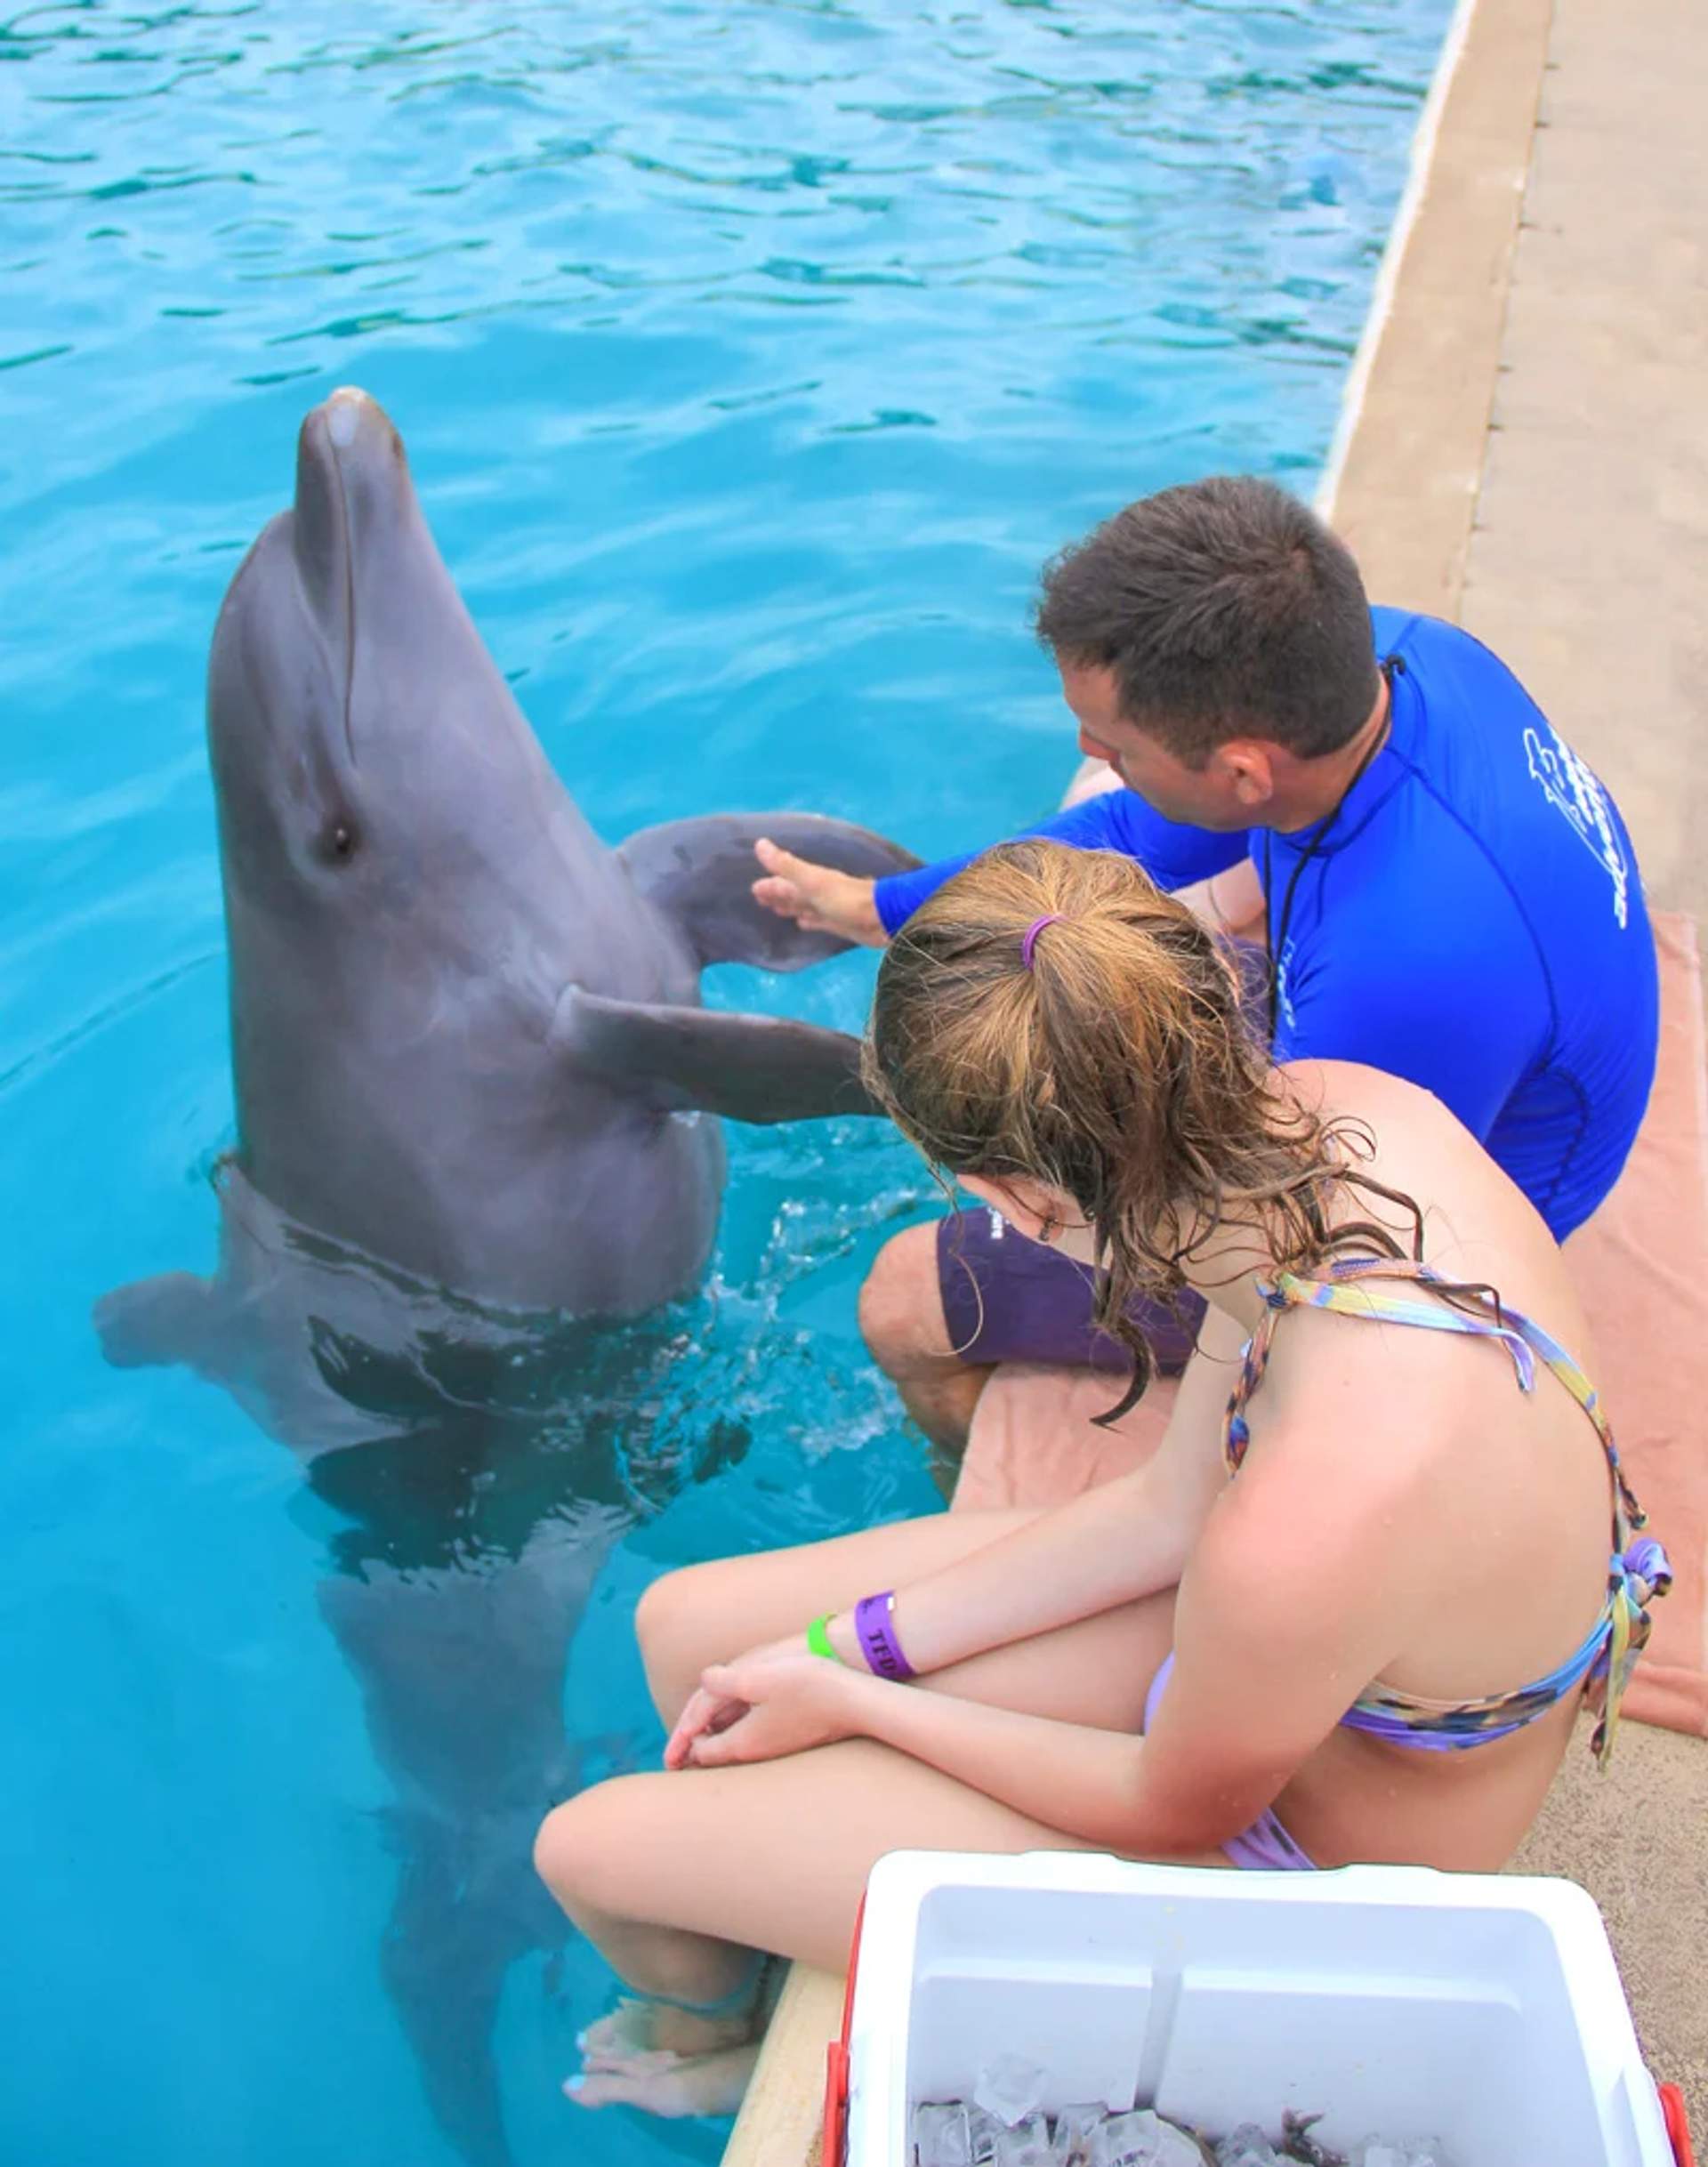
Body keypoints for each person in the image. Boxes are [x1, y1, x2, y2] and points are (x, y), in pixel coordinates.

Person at [533, 842, 1670, 2120]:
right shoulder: (1328, 1126)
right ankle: (754, 1892)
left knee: (590, 1851)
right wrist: (854, 1648)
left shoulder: (1312, 1517)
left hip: (1318, 1844)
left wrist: (862, 1705)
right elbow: (1169, 1510)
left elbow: (1170, 1805)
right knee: (679, 1625)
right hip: (1293, 1674)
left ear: (1013, 1197)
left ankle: (707, 2046)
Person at [751, 478, 1659, 1454]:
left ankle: (971, 1478)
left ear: (1243, 773)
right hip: (1437, 1024)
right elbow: (1128, 830)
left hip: (1451, 1209)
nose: (1088, 751)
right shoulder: (1401, 659)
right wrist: (871, 906)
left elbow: (1304, 1240)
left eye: (1116, 742)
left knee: (901, 1297)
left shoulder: (1401, 978)